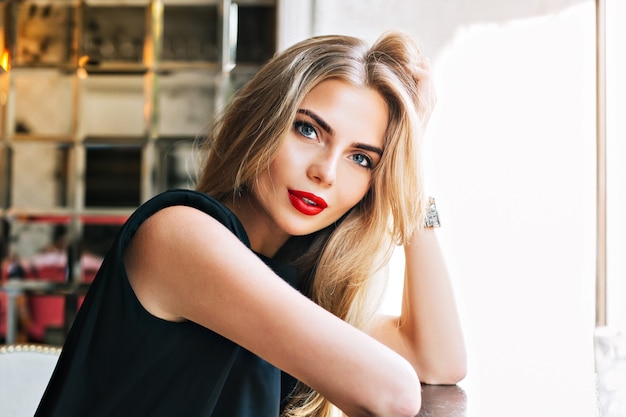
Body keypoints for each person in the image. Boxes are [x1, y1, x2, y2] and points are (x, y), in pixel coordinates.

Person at [35, 31, 466, 417]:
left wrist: (411, 173)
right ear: (263, 121)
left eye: (361, 158)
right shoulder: (180, 235)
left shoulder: (289, 281)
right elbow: (393, 394)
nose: (326, 171)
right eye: (308, 130)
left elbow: (437, 362)